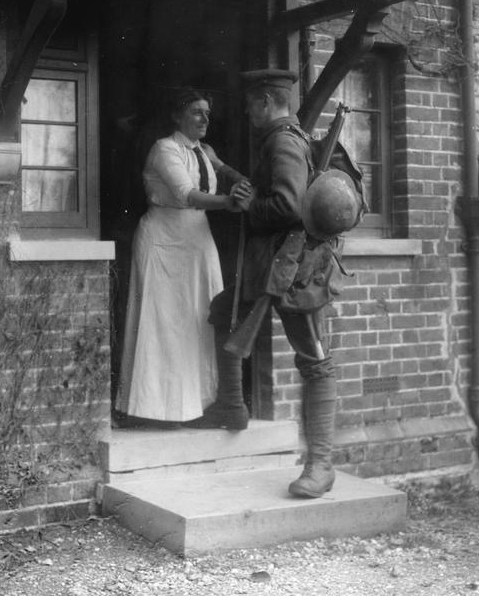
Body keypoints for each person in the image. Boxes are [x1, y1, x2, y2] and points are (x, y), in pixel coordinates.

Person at [193, 70, 338, 499]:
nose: (245, 111)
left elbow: (289, 204)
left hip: (293, 269)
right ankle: (233, 406)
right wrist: (226, 171)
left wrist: (248, 206)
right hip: (269, 263)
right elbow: (274, 190)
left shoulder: (282, 140)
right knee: (227, 312)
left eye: (249, 104)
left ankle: (321, 465)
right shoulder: (285, 137)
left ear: (263, 102)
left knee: (314, 358)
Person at [115, 88, 249, 425]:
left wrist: (232, 175)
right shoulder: (165, 148)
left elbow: (223, 173)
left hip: (197, 241)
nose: (205, 119)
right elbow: (185, 194)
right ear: (177, 116)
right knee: (164, 324)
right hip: (164, 241)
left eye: (207, 112)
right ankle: (154, 410)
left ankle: (197, 405)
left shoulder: (203, 151)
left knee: (199, 319)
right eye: (196, 112)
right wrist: (228, 202)